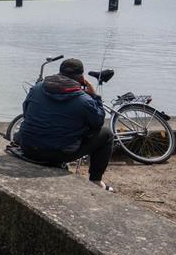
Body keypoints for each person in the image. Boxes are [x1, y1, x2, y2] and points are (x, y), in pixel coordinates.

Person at [17, 58, 115, 191]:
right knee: (107, 134)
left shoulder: (37, 88)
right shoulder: (84, 100)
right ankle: (95, 180)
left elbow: (26, 113)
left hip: (27, 147)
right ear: (81, 78)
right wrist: (94, 96)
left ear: (60, 72)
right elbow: (97, 122)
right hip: (56, 154)